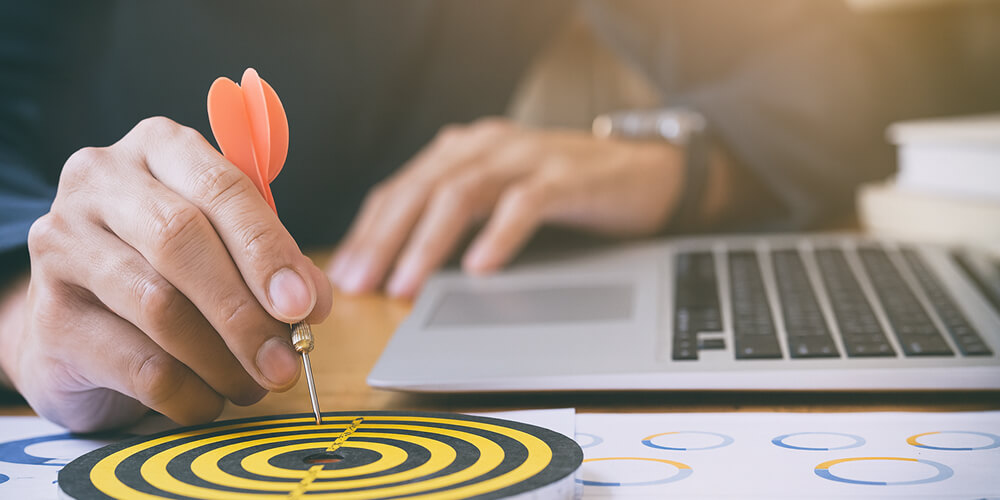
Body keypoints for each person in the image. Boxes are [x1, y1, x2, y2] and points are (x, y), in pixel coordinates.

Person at [1, 1, 996, 432]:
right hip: (102, 366)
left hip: (403, 320)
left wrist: (674, 158)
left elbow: (835, 64)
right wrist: (22, 299)